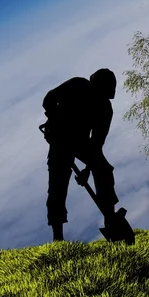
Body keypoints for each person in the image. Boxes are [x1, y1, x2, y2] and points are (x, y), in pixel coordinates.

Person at [41, 68, 120, 241]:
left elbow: (97, 143)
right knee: (57, 186)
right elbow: (48, 100)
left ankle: (111, 221)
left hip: (80, 142)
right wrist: (54, 123)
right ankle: (58, 238)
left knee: (104, 171)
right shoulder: (77, 84)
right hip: (59, 140)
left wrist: (87, 170)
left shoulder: (105, 109)